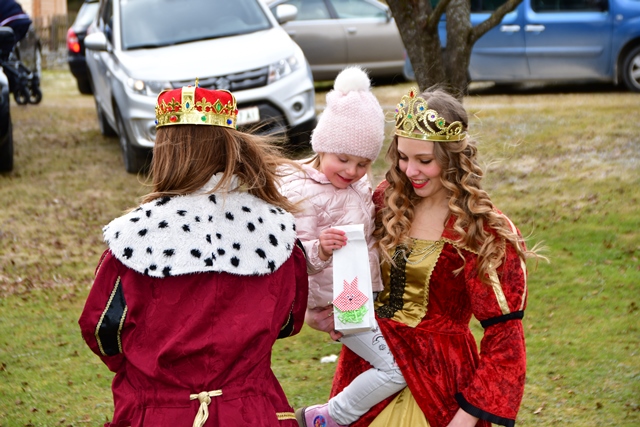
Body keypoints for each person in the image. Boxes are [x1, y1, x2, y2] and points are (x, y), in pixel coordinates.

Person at [79, 83, 309, 427]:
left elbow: (101, 331)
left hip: (156, 414)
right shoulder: (277, 234)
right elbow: (288, 320)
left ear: (165, 151)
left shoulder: (132, 240)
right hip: (250, 413)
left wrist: (153, 370)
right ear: (229, 145)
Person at [330, 87, 541, 427]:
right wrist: (345, 311)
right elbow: (349, 261)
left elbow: (505, 337)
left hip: (440, 382)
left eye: (424, 161)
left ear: (453, 158)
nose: (410, 170)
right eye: (402, 157)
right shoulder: (387, 201)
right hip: (369, 367)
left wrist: (468, 416)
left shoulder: (481, 231)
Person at [279, 66, 407, 427]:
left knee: (394, 362)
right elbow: (290, 259)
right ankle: (327, 417)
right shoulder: (300, 190)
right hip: (336, 304)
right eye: (343, 159)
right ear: (322, 145)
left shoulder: (360, 187)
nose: (351, 171)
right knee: (395, 369)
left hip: (357, 298)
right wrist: (318, 249)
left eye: (363, 163)